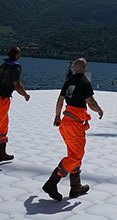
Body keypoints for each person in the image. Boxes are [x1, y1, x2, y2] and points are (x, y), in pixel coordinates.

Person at [42, 58, 104, 201]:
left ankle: (75, 187)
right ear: (83, 67)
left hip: (66, 123)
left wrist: (57, 116)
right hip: (75, 125)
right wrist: (99, 110)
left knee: (74, 154)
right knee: (76, 157)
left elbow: (60, 99)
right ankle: (52, 183)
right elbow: (91, 102)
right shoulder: (84, 82)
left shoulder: (69, 81)